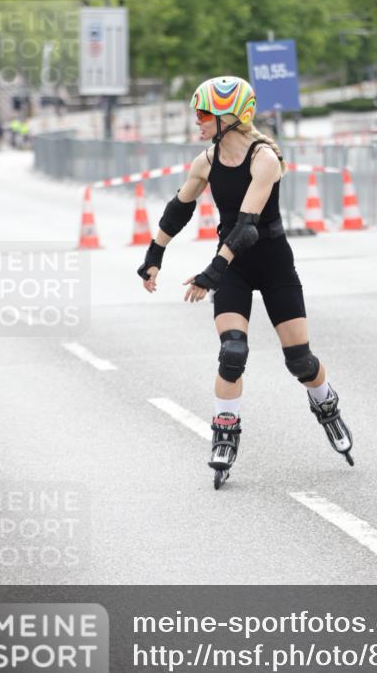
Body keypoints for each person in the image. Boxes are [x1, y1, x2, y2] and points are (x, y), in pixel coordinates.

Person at [137, 76, 354, 488]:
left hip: (273, 265)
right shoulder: (206, 160)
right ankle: (225, 432)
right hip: (233, 268)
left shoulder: (265, 158)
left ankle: (326, 405)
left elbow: (247, 227)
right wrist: (154, 255)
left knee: (300, 363)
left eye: (203, 114)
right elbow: (178, 210)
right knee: (232, 352)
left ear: (231, 117)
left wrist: (210, 273)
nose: (196, 122)